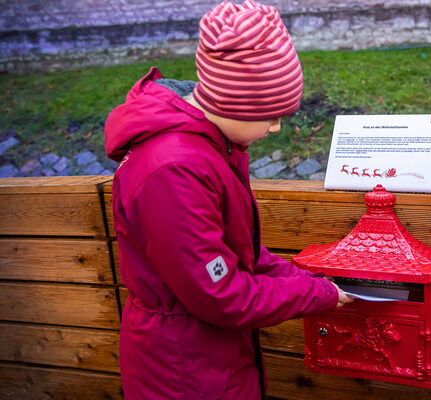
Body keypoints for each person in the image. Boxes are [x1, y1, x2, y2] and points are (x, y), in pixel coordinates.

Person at [104, 1, 353, 399]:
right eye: (269, 114)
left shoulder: (211, 147)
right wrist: (315, 295)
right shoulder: (175, 170)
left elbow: (237, 255)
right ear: (230, 102)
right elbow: (219, 294)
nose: (275, 127)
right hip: (183, 370)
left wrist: (308, 281)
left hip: (210, 356)